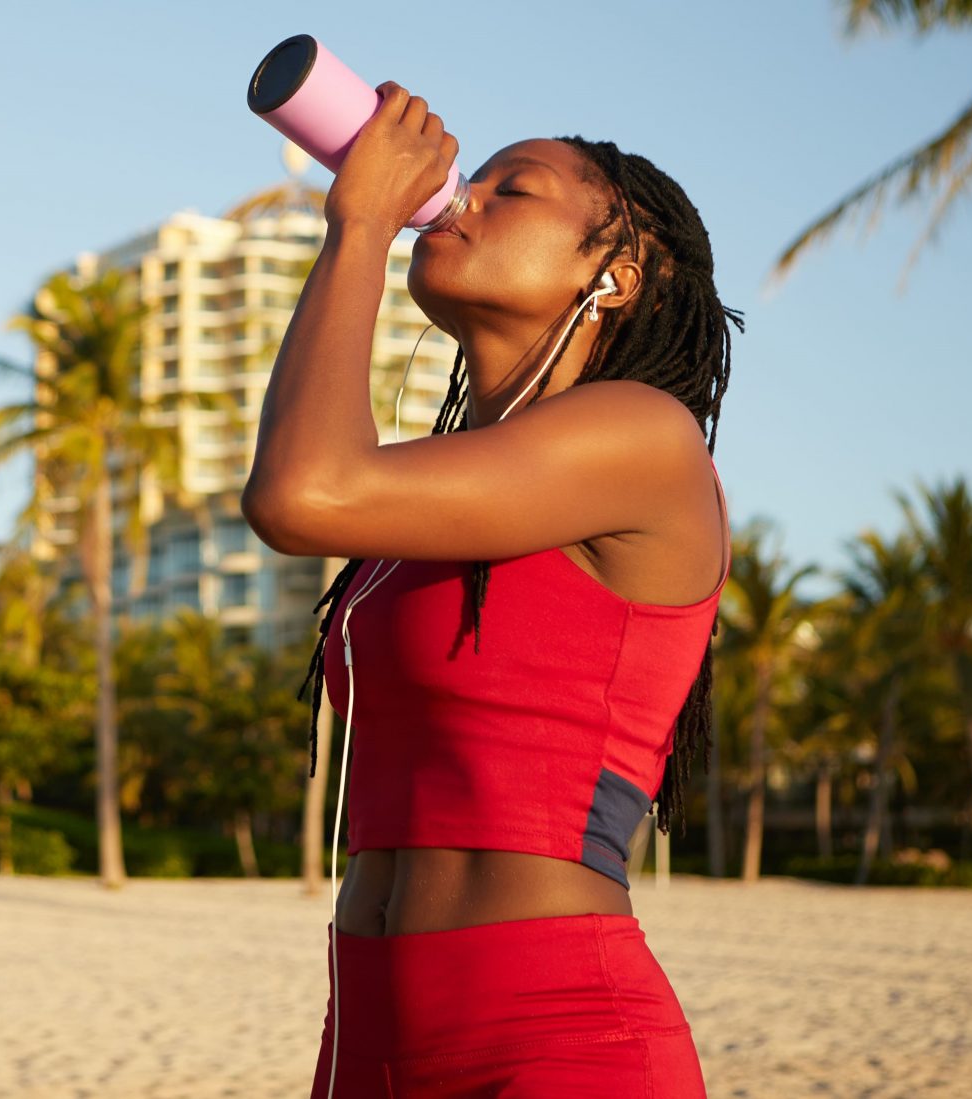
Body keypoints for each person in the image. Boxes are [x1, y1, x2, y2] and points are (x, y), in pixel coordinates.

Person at [242, 80, 739, 1096]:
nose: (461, 198)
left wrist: (363, 221)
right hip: (367, 1026)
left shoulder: (645, 433)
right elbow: (320, 484)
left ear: (617, 275)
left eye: (513, 189)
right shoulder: (444, 487)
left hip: (554, 1033)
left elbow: (300, 492)